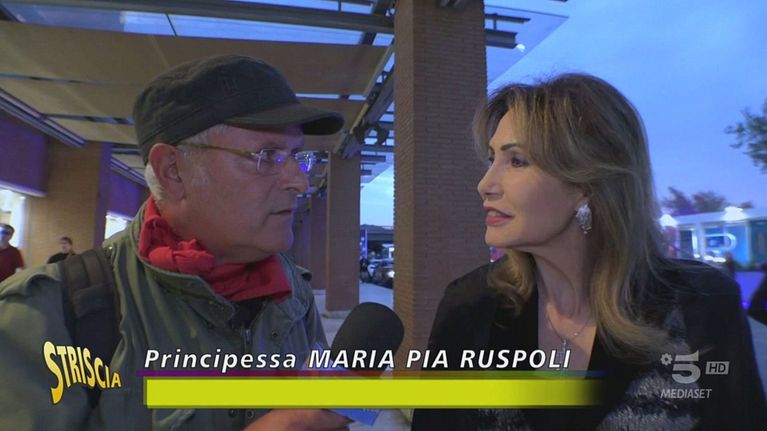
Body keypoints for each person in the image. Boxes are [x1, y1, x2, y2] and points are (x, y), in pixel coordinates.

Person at [0, 55, 352, 430]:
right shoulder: (47, 314)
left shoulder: (293, 292)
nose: (300, 182)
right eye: (267, 156)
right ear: (173, 171)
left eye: (296, 156)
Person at [412, 74, 766, 430]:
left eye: (516, 161)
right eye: (492, 159)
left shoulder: (702, 304)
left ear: (586, 183)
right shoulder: (469, 304)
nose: (485, 184)